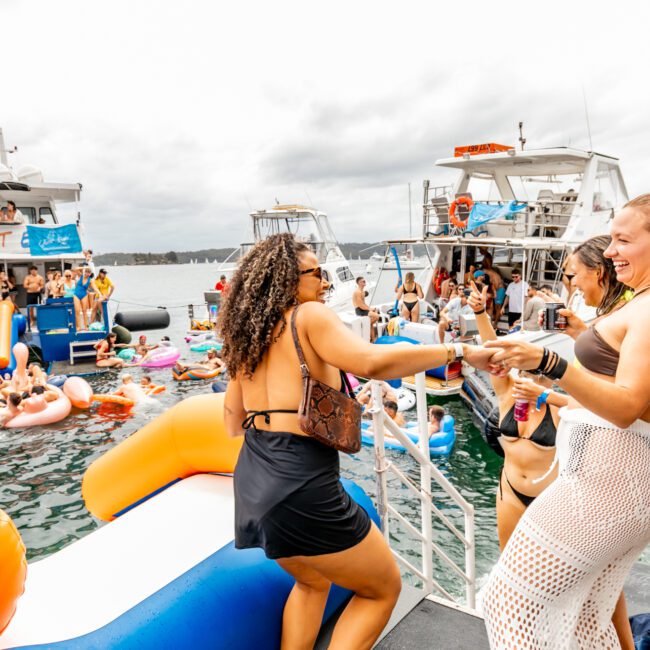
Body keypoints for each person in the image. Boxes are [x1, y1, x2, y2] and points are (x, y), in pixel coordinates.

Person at [220, 233, 500, 649]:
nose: (323, 282)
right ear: (287, 279)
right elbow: (371, 361)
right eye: (315, 273)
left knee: (312, 583)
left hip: (254, 480)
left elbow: (232, 421)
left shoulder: (249, 338)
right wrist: (458, 349)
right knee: (382, 588)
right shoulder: (308, 315)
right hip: (301, 482)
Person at [481, 197, 650, 649]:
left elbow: (628, 405)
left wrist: (550, 361)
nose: (611, 251)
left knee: (507, 598)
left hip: (611, 485)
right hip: (613, 482)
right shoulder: (640, 303)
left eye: (623, 239)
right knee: (587, 617)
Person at [352, 276, 379, 342]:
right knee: (376, 316)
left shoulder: (362, 291)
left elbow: (363, 304)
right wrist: (370, 309)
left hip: (363, 309)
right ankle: (367, 326)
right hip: (359, 310)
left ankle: (373, 340)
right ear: (359, 283)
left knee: (371, 323)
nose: (365, 282)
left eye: (365, 281)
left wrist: (370, 308)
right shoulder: (357, 292)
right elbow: (360, 305)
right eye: (363, 281)